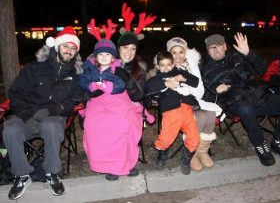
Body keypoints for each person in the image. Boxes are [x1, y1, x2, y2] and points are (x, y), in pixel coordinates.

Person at [2, 26, 83, 199]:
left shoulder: (75, 75)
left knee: (51, 125)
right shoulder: (34, 69)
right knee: (10, 127)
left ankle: (52, 173)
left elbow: (77, 99)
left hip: (54, 118)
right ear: (57, 46)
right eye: (65, 46)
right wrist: (24, 113)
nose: (68, 51)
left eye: (72, 48)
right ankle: (22, 175)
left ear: (76, 52)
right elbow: (16, 93)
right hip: (29, 115)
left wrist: (58, 109)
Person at [202, 32, 280, 166]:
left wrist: (249, 54)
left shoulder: (238, 57)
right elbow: (208, 93)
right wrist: (217, 89)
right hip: (233, 103)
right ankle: (260, 145)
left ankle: (279, 141)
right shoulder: (206, 70)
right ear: (208, 51)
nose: (216, 49)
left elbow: (263, 69)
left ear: (225, 46)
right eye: (211, 47)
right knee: (245, 108)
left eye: (219, 45)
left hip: (257, 97)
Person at [79, 38, 149, 181]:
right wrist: (91, 90)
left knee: (122, 124)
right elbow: (83, 85)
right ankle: (107, 164)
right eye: (125, 47)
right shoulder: (92, 67)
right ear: (118, 50)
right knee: (93, 123)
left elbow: (137, 95)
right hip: (99, 103)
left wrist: (127, 82)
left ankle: (124, 163)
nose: (128, 52)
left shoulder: (137, 68)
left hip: (123, 102)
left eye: (133, 48)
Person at [163, 37, 222, 171]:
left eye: (181, 52)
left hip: (195, 100)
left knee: (210, 115)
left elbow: (199, 89)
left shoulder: (192, 65)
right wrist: (188, 88)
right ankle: (192, 152)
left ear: (186, 52)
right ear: (169, 54)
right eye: (174, 52)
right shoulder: (166, 67)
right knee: (200, 117)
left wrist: (189, 89)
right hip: (178, 105)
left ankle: (203, 151)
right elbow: (175, 90)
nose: (178, 56)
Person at [146, 51, 200, 175]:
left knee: (194, 138)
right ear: (158, 66)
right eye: (162, 65)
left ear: (173, 64)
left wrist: (184, 78)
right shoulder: (158, 77)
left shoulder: (179, 72)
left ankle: (186, 160)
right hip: (170, 112)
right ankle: (162, 155)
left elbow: (195, 81)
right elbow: (149, 86)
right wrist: (165, 83)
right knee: (165, 139)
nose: (166, 68)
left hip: (186, 110)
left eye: (169, 64)